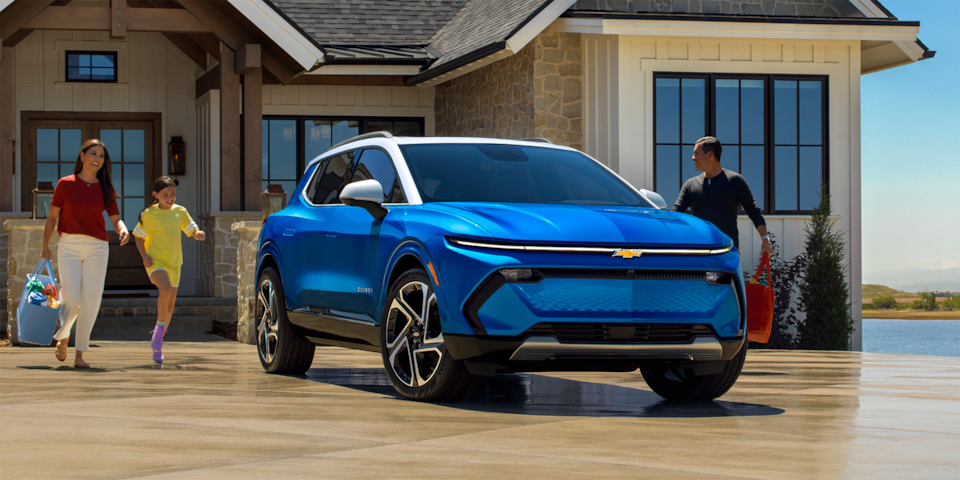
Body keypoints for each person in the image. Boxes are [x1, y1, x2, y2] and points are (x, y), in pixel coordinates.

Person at [41, 139, 130, 369]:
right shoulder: (65, 184)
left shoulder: (105, 187)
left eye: (101, 156)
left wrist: (122, 229)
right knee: (71, 297)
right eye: (93, 153)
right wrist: (45, 246)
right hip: (68, 245)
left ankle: (80, 354)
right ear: (82, 156)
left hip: (97, 248)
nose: (97, 159)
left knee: (91, 301)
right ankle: (64, 336)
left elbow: (114, 218)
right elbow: (52, 217)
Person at [132, 177, 205, 363]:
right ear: (156, 196)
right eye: (165, 195)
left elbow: (191, 229)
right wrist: (144, 256)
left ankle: (158, 338)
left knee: (171, 306)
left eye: (173, 194)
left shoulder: (180, 212)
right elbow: (139, 237)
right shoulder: (149, 214)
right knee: (164, 289)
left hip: (175, 264)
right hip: (156, 263)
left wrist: (197, 234)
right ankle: (157, 335)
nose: (170, 197)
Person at [671, 136, 773, 257]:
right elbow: (676, 214)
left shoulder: (735, 181)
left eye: (697, 153)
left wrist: (765, 241)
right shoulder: (690, 185)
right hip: (699, 252)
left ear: (710, 155)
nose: (693, 157)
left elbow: (754, 211)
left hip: (727, 253)